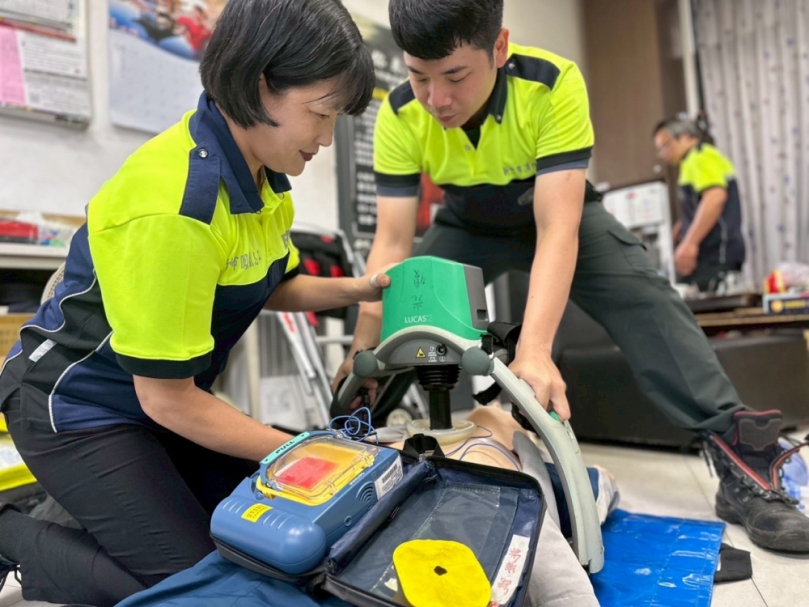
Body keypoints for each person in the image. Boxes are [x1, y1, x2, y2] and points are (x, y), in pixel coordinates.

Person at [333, 0, 809, 553]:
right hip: (468, 219)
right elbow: (390, 244)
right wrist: (361, 347)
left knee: (645, 296)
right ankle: (356, 444)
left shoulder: (552, 83)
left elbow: (557, 229)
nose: (437, 99)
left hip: (560, 210)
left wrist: (533, 349)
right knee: (408, 302)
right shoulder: (397, 110)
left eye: (456, 76)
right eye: (420, 77)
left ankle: (739, 460)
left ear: (500, 48)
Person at [0, 1, 388, 604]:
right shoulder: (179, 204)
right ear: (263, 84)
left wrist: (364, 289)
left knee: (274, 535)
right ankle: (12, 538)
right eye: (321, 113)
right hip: (76, 406)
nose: (326, 137)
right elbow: (167, 399)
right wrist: (308, 447)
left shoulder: (263, 179)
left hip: (158, 401)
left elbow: (270, 283)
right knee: (202, 588)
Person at [654, 119, 746, 290]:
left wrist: (689, 243)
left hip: (717, 253)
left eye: (665, 145)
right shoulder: (691, 162)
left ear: (686, 137)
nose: (663, 154)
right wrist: (683, 226)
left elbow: (715, 197)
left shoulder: (701, 156)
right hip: (713, 254)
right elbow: (702, 203)